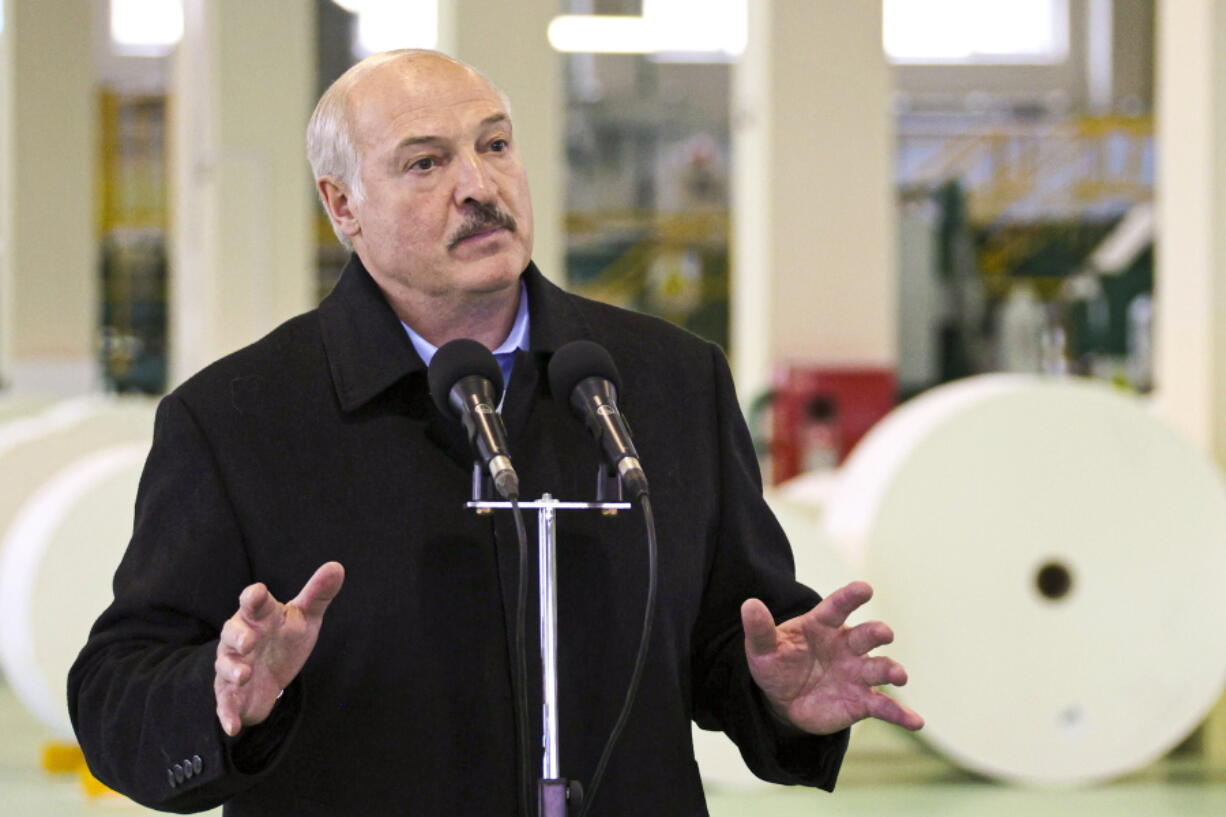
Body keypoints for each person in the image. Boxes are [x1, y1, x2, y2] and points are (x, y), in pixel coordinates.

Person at [68, 50, 921, 817]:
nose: (478, 184)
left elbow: (724, 638)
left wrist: (780, 696)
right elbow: (117, 689)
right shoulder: (238, 418)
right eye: (426, 162)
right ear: (343, 206)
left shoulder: (668, 381)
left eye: (497, 145)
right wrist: (219, 697)